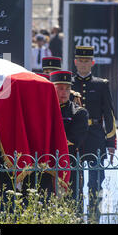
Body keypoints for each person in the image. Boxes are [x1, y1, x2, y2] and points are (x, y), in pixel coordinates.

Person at [71, 46, 117, 223]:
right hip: (76, 137)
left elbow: (109, 115)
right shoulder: (69, 85)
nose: (83, 64)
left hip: (96, 136)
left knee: (96, 181)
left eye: (86, 61)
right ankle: (75, 215)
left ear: (92, 62)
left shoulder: (101, 84)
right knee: (75, 181)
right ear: (75, 62)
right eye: (80, 61)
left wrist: (111, 142)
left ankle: (94, 217)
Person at [50, 70, 88, 212]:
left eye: (67, 88)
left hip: (69, 163)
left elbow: (74, 139)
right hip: (46, 164)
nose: (64, 92)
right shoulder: (45, 111)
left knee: (72, 204)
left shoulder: (78, 112)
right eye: (60, 88)